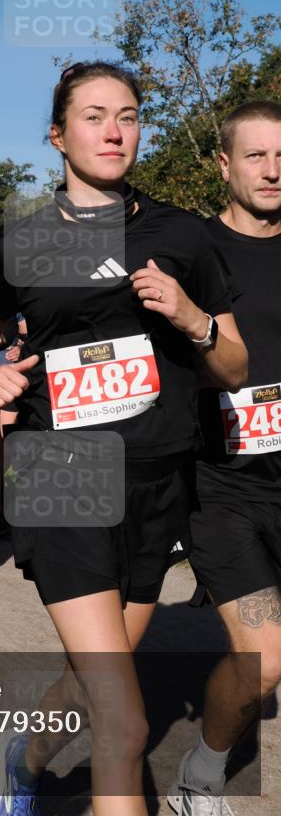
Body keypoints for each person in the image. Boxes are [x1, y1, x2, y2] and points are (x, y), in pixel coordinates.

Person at [0, 61, 248, 816]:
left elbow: (234, 364)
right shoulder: (24, 240)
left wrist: (192, 319)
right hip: (62, 475)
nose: (114, 131)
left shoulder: (181, 234)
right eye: (93, 116)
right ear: (58, 135)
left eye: (128, 115)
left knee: (91, 683)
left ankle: (23, 758)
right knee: (126, 723)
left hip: (157, 484)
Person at [168, 101, 281, 816]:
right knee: (264, 659)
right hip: (221, 488)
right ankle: (199, 780)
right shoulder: (191, 250)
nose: (272, 170)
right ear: (223, 165)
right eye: (256, 156)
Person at [0, 314, 26, 540]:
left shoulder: (14, 300)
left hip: (10, 376)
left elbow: (27, 329)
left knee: (9, 445)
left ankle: (10, 504)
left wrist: (20, 346)